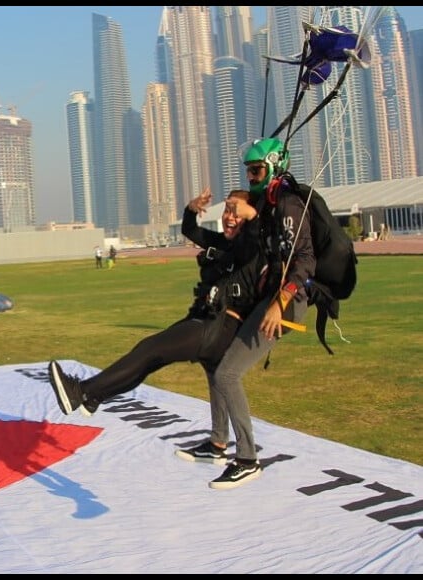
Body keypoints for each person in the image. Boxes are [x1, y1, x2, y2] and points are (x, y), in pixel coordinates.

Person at [47, 189, 266, 438]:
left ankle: (81, 392)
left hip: (220, 327)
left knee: (149, 349)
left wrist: (253, 216)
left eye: (235, 211)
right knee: (151, 358)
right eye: (227, 210)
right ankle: (95, 395)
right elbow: (190, 230)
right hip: (206, 319)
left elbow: (256, 238)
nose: (229, 216)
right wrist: (191, 209)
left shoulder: (252, 244)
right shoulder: (223, 242)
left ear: (248, 215)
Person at [198, 137, 316, 490]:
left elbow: (305, 260)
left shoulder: (289, 206)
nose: (250, 176)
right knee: (215, 361)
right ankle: (218, 442)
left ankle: (247, 459)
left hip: (285, 303)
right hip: (265, 300)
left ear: (274, 168)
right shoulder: (268, 205)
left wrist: (280, 304)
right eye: (248, 170)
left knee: (228, 374)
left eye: (256, 170)